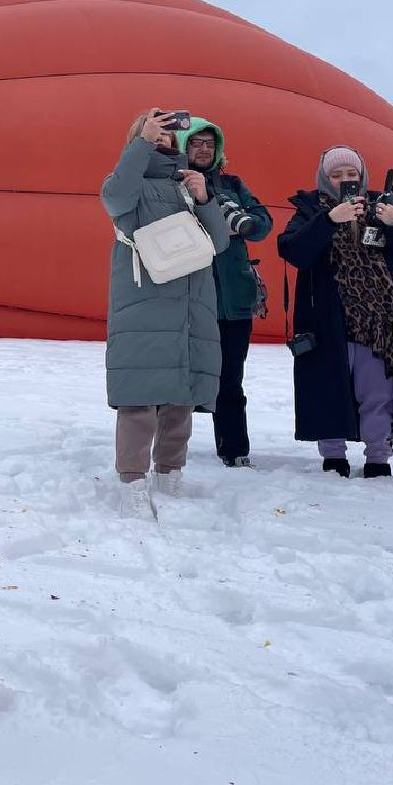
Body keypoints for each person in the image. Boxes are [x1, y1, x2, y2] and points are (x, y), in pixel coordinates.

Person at [102, 109, 231, 516]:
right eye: (153, 135)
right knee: (139, 397)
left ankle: (169, 472)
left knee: (181, 396)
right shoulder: (128, 184)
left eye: (167, 136)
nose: (161, 141)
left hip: (191, 303)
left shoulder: (187, 186)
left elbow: (219, 243)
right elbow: (114, 198)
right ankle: (132, 482)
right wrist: (142, 143)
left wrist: (205, 199)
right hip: (145, 303)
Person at [278, 146, 393, 478]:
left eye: (351, 174)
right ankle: (333, 455)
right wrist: (329, 220)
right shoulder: (310, 210)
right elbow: (292, 250)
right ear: (324, 179)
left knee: (379, 392)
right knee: (329, 386)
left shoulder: (381, 209)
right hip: (328, 320)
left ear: (362, 177)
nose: (345, 180)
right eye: (336, 175)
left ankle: (378, 457)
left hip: (377, 323)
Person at [177, 117, 273, 468]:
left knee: (231, 378)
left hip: (233, 300)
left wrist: (236, 223)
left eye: (209, 143)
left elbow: (262, 224)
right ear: (184, 147)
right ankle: (169, 450)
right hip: (189, 297)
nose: (204, 149)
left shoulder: (233, 184)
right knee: (180, 376)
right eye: (196, 143)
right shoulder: (172, 184)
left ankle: (234, 449)